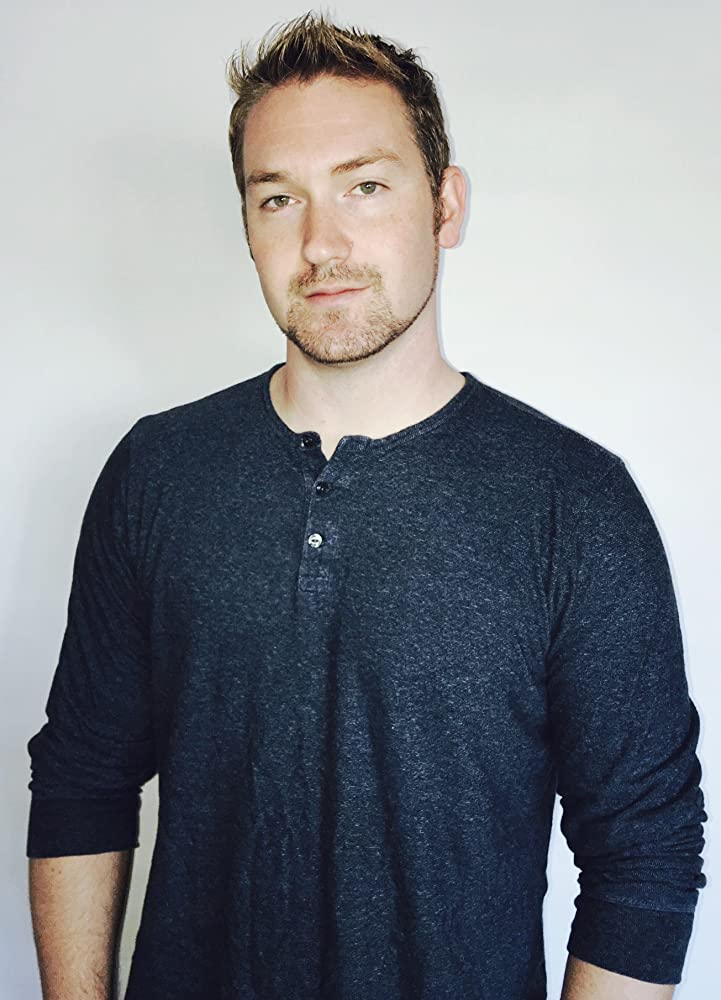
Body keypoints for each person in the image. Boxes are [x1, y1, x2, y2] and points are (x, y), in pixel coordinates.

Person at [26, 11, 706, 1000]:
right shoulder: (157, 472)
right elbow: (82, 778)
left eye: (365, 186)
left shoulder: (575, 502)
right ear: (247, 227)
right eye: (278, 199)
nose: (320, 243)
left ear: (445, 204)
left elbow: (644, 850)